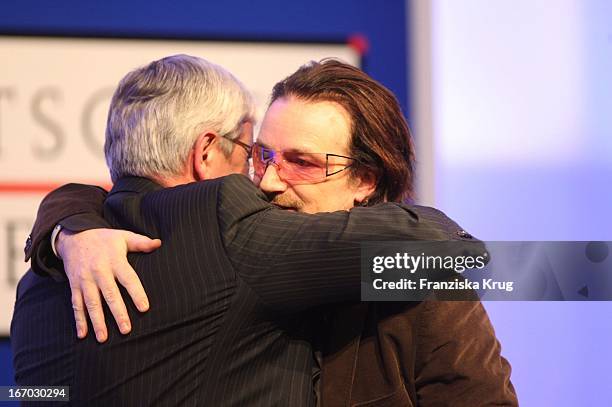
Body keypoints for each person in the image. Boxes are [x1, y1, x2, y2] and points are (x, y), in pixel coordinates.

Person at [15, 57, 517, 406]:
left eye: (300, 162)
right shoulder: (222, 240)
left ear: (366, 179)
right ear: (207, 152)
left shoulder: (419, 286)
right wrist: (69, 225)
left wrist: (65, 226)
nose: (269, 182)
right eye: (261, 155)